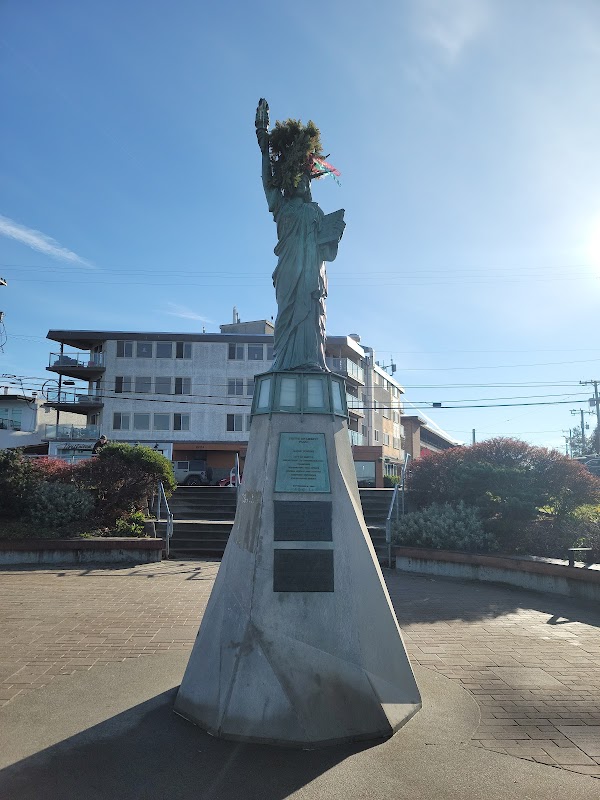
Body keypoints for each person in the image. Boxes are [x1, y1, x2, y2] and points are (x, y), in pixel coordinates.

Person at [255, 99, 345, 372]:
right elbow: (266, 181)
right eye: (300, 178)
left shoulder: (316, 212)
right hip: (290, 272)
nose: (305, 183)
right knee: (287, 316)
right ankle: (283, 364)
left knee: (313, 320)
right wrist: (264, 146)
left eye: (307, 178)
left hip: (312, 275)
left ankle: (314, 364)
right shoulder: (281, 205)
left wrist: (333, 234)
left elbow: (327, 251)